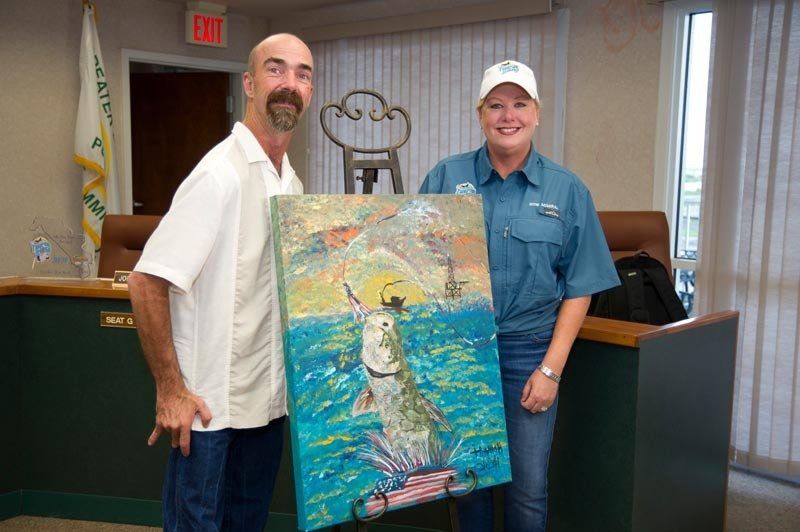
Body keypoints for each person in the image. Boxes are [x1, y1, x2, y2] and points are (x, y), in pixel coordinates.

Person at [419, 60, 619, 532]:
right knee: (469, 486)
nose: (508, 116)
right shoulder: (446, 178)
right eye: (496, 105)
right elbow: (421, 265)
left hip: (529, 353)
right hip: (461, 353)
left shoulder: (566, 190)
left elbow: (580, 287)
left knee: (527, 492)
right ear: (480, 113)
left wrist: (551, 369)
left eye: (519, 104)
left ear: (537, 113)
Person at [127, 33, 313, 531]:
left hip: (267, 408)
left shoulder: (289, 183)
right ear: (250, 84)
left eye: (302, 73)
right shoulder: (219, 175)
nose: (289, 84)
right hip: (211, 415)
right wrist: (171, 391)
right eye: (276, 70)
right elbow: (145, 283)